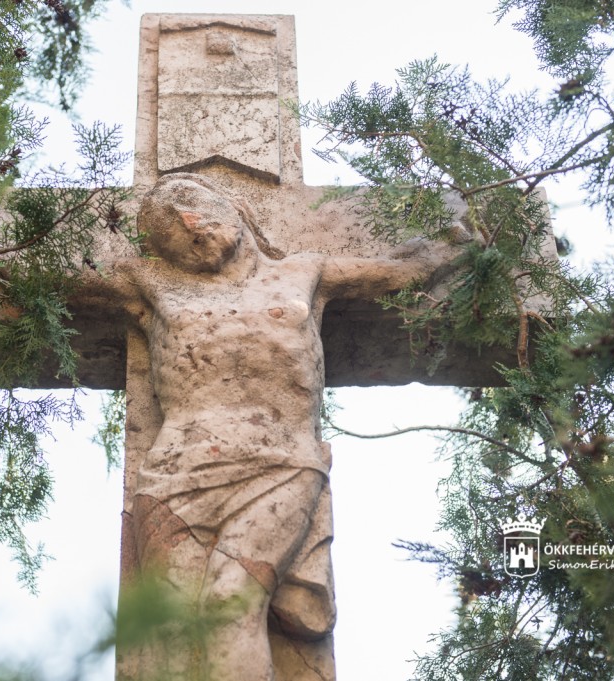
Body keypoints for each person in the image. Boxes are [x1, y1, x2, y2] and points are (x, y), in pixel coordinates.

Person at [93, 172, 460, 680]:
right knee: (173, 629)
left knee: (229, 601)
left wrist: (456, 244)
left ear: (233, 203)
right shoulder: (149, 283)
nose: (188, 223)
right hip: (174, 475)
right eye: (165, 231)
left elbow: (408, 273)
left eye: (190, 202)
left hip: (280, 465)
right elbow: (40, 279)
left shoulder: (305, 273)